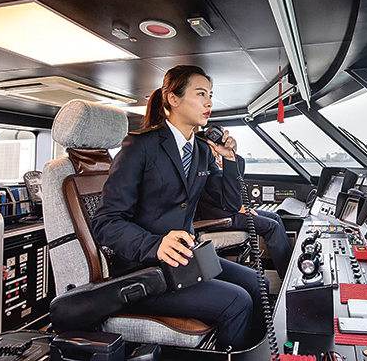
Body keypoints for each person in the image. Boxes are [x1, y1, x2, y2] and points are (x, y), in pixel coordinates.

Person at [92, 65, 267, 351]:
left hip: (186, 262)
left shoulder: (200, 151)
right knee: (238, 301)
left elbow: (229, 205)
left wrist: (230, 159)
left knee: (257, 283)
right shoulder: (140, 146)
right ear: (173, 99)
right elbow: (106, 222)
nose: (209, 102)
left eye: (210, 95)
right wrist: (156, 244)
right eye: (201, 94)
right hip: (146, 271)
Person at [196, 149, 291, 279]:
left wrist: (228, 165)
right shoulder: (203, 164)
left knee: (275, 217)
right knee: (271, 226)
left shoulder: (209, 164)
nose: (217, 152)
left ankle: (289, 267)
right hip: (218, 216)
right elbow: (227, 198)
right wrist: (238, 207)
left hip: (226, 210)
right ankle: (287, 277)